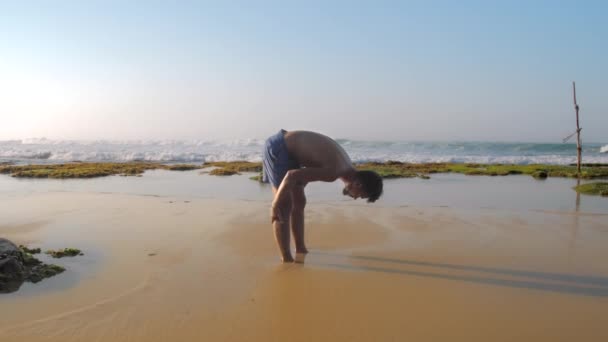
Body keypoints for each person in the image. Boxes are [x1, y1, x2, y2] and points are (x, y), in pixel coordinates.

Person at [263, 129, 383, 262]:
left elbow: (309, 170)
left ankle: (300, 248)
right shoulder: (334, 172)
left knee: (299, 201)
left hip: (290, 148)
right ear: (358, 184)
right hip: (280, 147)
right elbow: (291, 175)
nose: (355, 197)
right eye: (360, 195)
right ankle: (286, 258)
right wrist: (275, 204)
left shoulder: (346, 166)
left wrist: (299, 186)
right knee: (284, 206)